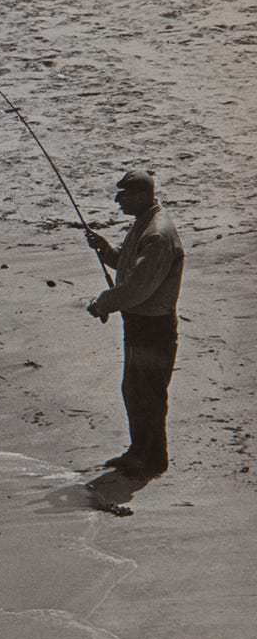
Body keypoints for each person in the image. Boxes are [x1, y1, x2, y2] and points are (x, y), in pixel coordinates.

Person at [84, 170, 185, 478]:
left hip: (152, 328)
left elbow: (138, 288)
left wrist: (104, 302)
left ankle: (151, 459)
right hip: (143, 324)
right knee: (136, 390)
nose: (117, 202)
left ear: (142, 196)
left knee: (146, 393)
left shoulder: (156, 234)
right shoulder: (146, 226)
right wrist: (106, 250)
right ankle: (140, 451)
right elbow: (132, 267)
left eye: (123, 196)